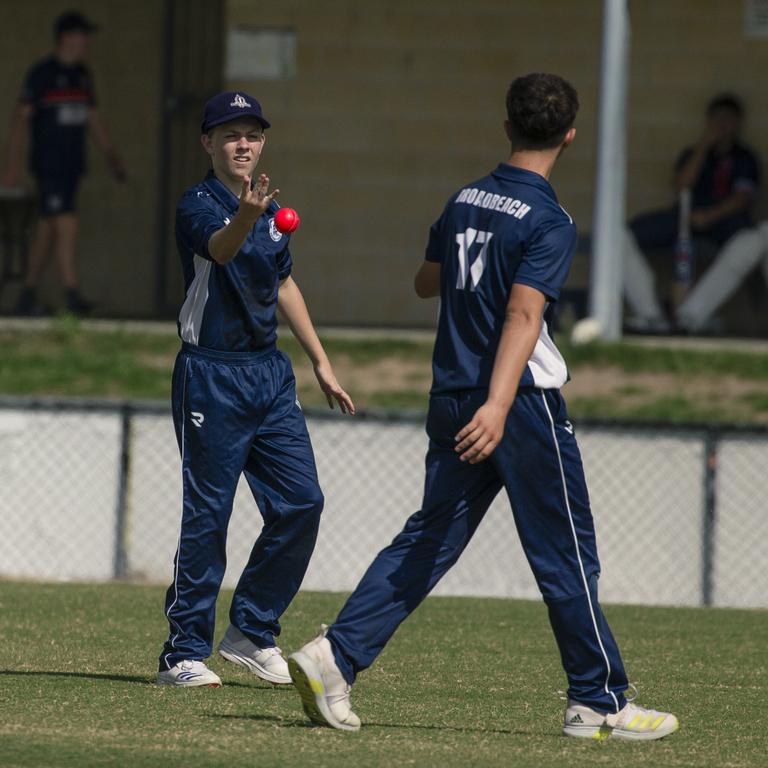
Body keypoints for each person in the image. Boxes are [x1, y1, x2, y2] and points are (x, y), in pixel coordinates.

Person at [288, 73, 679, 741]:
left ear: (507, 127)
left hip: (451, 393)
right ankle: (598, 701)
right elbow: (526, 312)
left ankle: (335, 656)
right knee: (565, 553)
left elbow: (425, 282)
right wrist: (501, 405)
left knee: (428, 539)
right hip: (517, 405)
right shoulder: (550, 218)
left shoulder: (465, 198)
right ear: (570, 136)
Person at [157, 91, 355, 687]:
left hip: (268, 375)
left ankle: (249, 630)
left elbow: (284, 284)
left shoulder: (269, 209)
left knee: (302, 501)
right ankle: (182, 654)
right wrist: (246, 213)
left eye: (252, 134)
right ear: (208, 143)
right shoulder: (198, 204)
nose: (243, 144)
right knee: (208, 515)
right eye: (230, 134)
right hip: (210, 374)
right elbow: (219, 250)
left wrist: (320, 363)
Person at [2, 11, 125, 316]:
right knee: (67, 222)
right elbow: (19, 120)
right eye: (83, 36)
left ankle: (27, 294)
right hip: (48, 166)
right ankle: (72, 293)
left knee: (47, 228)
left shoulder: (82, 76)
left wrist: (111, 155)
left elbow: (93, 118)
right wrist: (12, 166)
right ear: (68, 38)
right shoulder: (41, 74)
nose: (87, 44)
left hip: (73, 166)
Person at [624, 94, 760, 332]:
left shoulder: (744, 157)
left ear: (738, 123)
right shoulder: (694, 152)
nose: (722, 124)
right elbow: (681, 186)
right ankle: (651, 316)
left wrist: (709, 216)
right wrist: (704, 147)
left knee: (753, 239)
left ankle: (691, 316)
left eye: (728, 119)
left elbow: (743, 198)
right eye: (717, 119)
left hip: (725, 224)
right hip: (683, 219)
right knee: (616, 233)